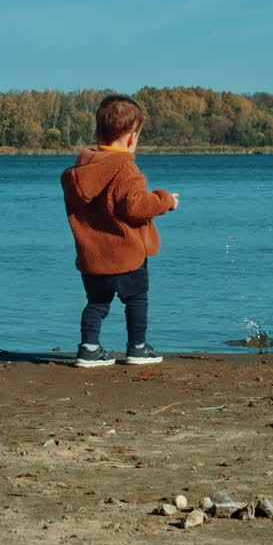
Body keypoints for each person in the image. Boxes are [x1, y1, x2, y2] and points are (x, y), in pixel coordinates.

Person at [61, 95, 179, 367]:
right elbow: (135, 206)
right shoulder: (125, 168)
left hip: (93, 257)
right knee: (136, 300)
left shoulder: (82, 169)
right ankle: (137, 348)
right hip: (127, 253)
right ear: (131, 136)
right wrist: (165, 201)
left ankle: (89, 348)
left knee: (96, 303)